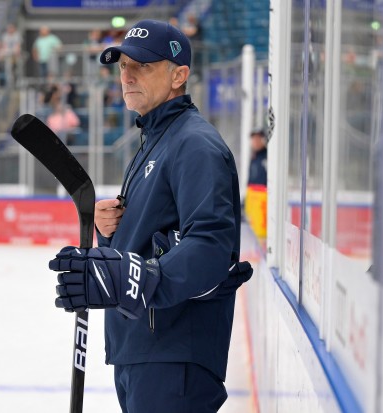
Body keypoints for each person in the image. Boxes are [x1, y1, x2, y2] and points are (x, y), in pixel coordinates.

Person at [48, 19, 252, 413]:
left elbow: (211, 246)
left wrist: (132, 279)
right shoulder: (155, 139)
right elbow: (154, 240)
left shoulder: (195, 144)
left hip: (174, 354)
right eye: (123, 65)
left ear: (179, 75)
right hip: (142, 346)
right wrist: (112, 233)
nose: (127, 74)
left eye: (142, 65)